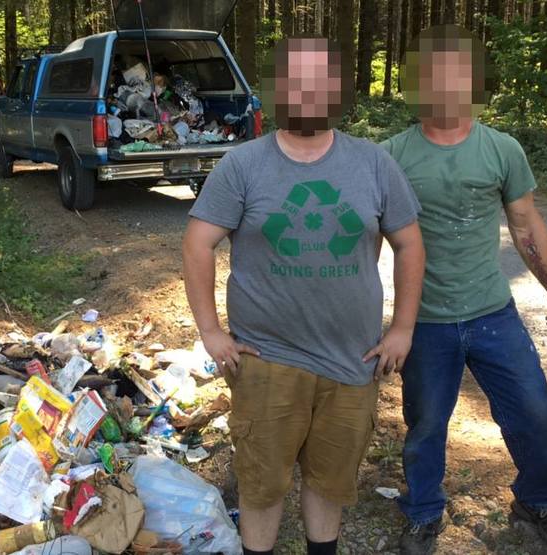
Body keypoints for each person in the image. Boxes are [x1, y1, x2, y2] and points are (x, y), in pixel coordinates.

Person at [182, 36, 426, 555]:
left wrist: (403, 327)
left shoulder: (374, 164)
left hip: (352, 360)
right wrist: (210, 331)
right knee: (262, 485)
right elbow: (198, 243)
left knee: (329, 480)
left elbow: (409, 244)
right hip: (267, 361)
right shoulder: (243, 165)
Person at [379, 24, 547, 554]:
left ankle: (539, 502)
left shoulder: (501, 149)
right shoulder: (391, 155)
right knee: (425, 424)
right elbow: (368, 240)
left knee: (534, 412)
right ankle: (423, 510)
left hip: (493, 313)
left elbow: (526, 225)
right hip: (424, 319)